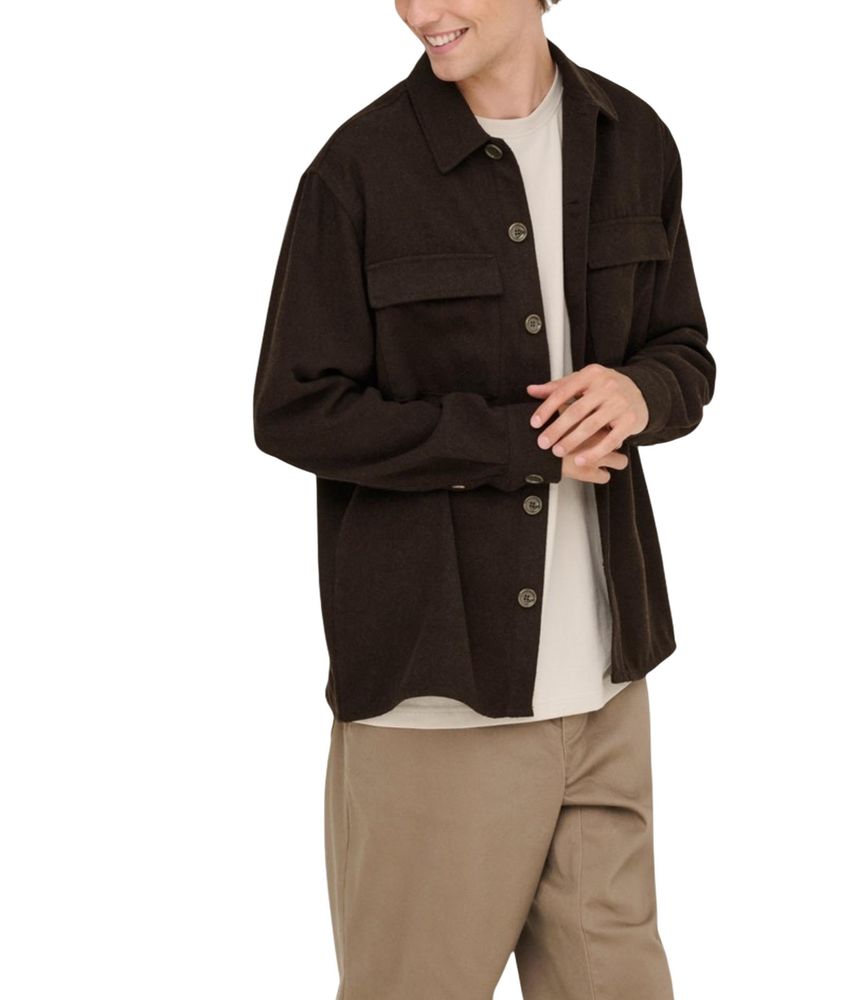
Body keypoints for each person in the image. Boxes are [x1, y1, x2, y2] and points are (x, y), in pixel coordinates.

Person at [253, 1, 716, 996]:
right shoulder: (359, 171)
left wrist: (641, 392)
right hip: (439, 702)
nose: (421, 10)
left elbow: (683, 349)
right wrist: (518, 444)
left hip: (607, 683)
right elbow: (296, 410)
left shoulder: (632, 140)